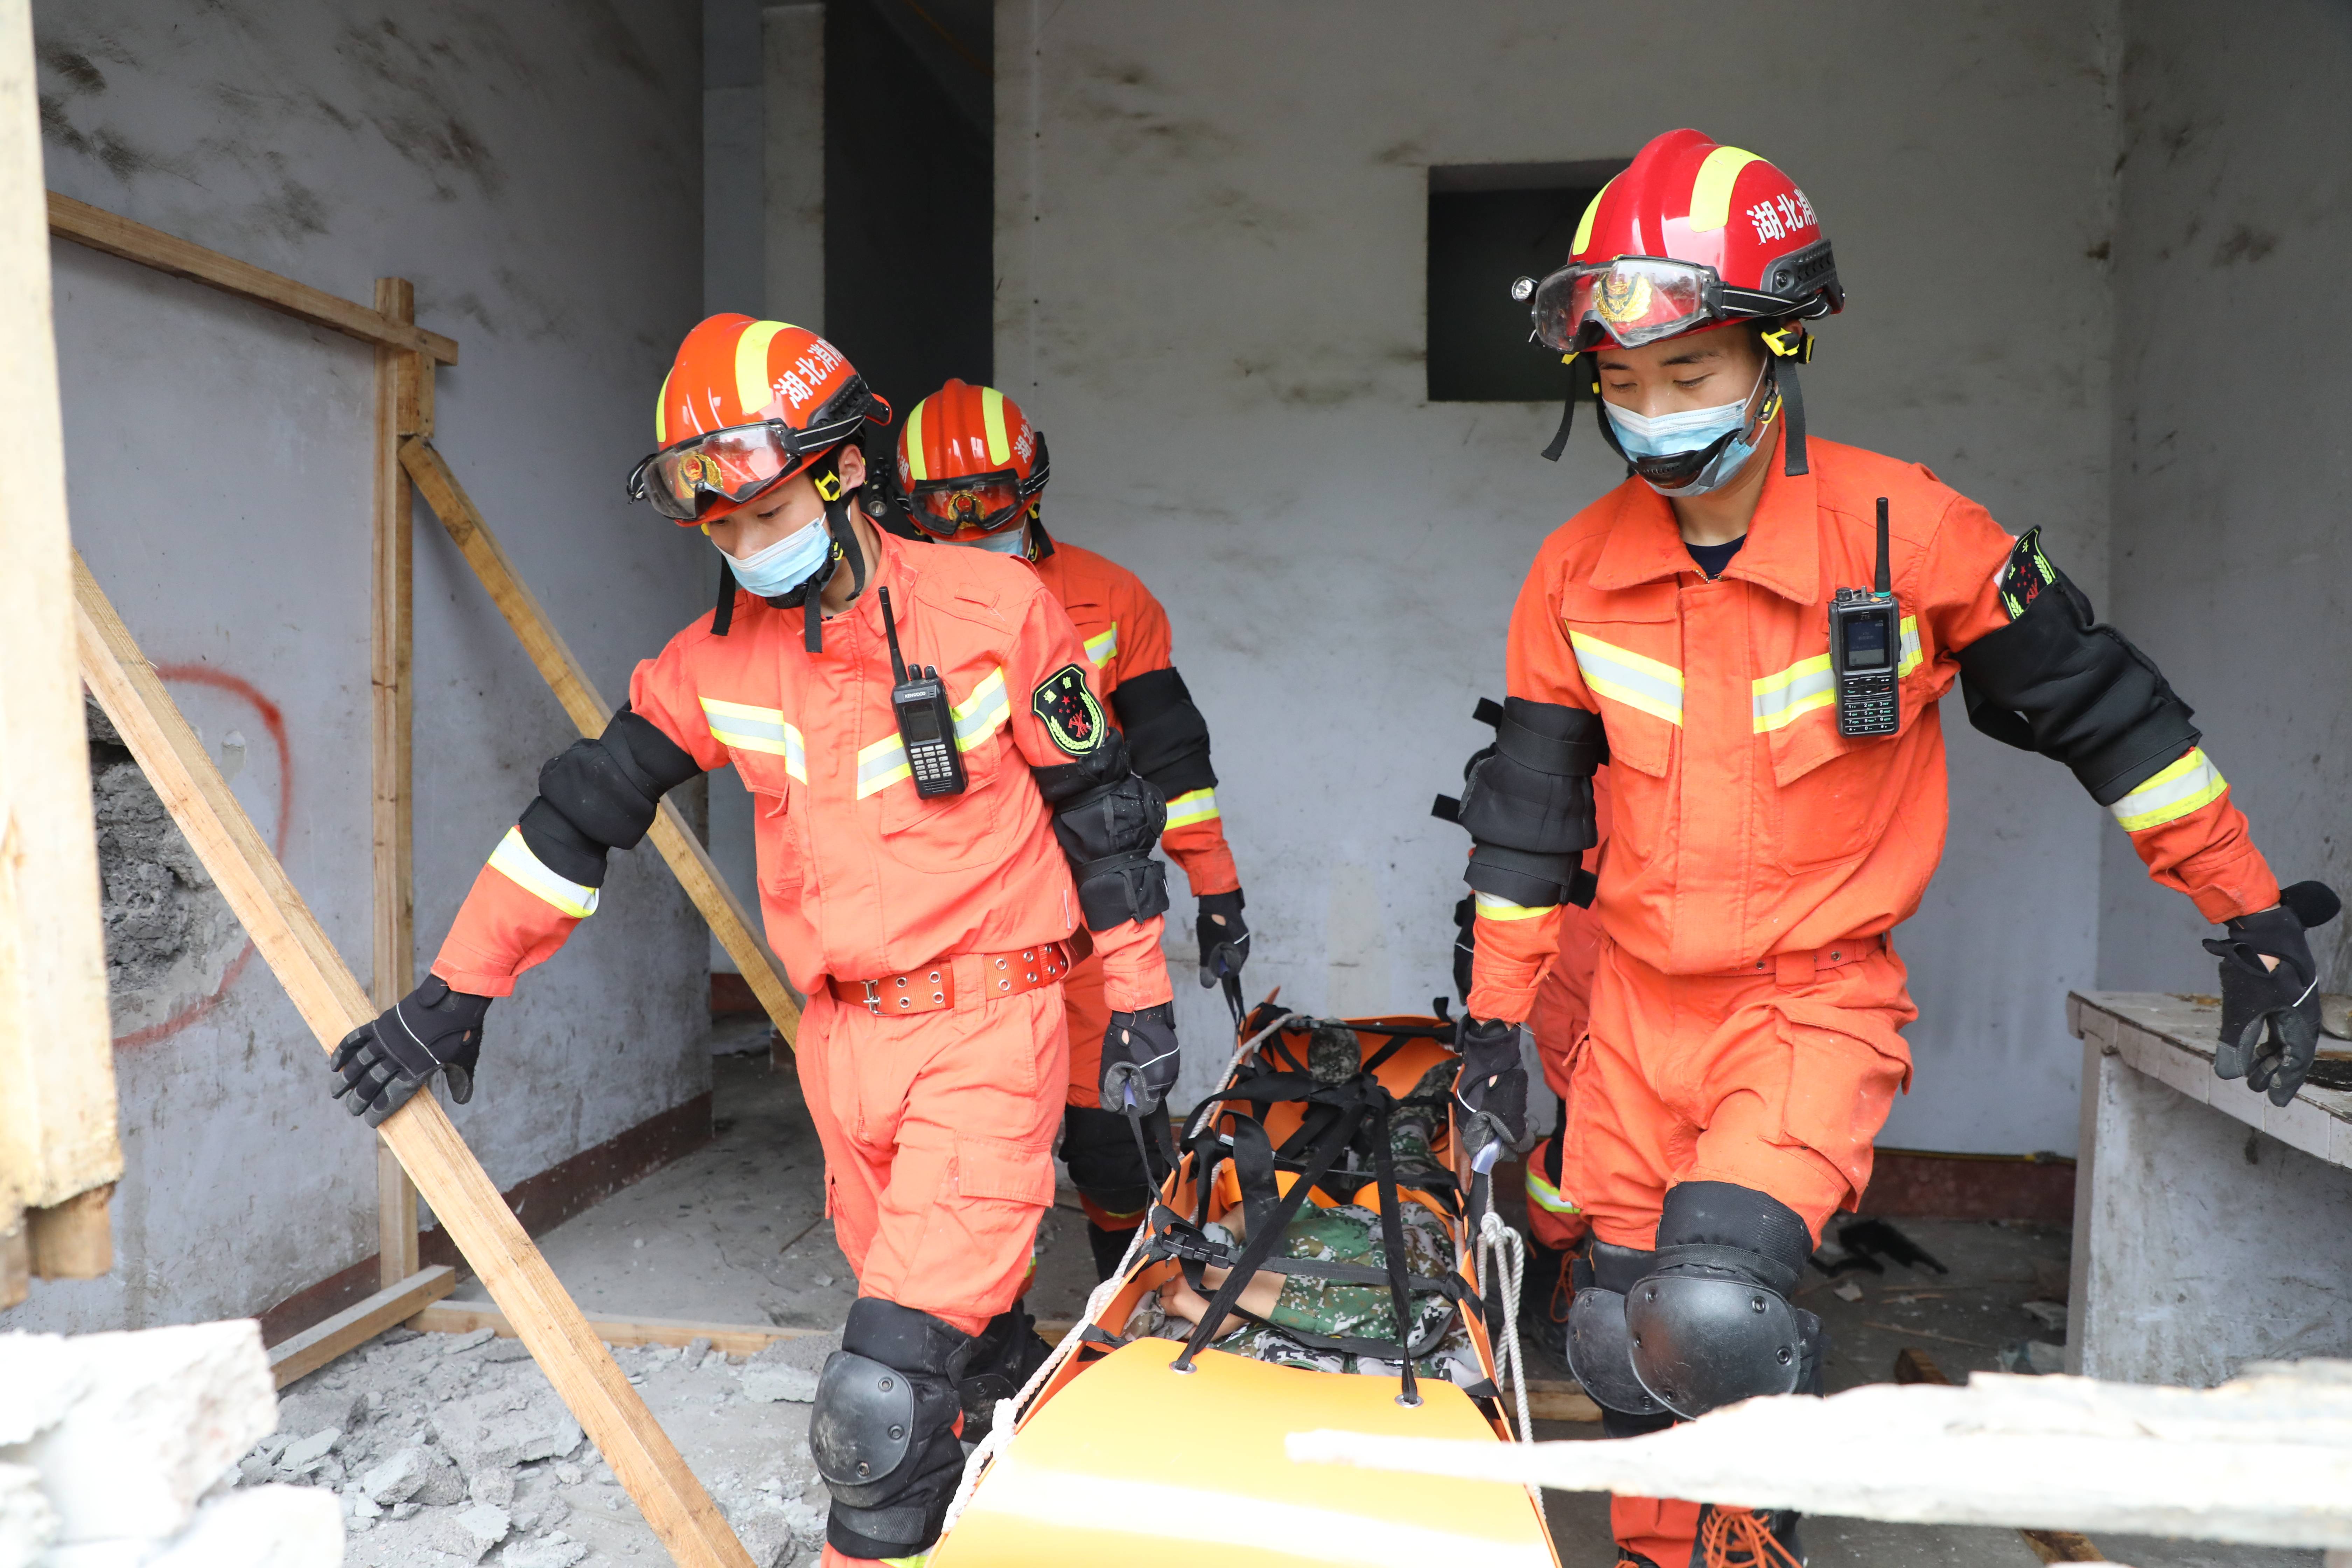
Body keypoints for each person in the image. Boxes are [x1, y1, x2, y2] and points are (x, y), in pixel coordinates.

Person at [1446, 128, 2333, 1568]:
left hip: (1807, 1004)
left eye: (1689, 372)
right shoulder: (1576, 572)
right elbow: (1531, 823)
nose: (1652, 414)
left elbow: (2117, 721)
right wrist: (1493, 1027)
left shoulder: (1912, 533)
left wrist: (2252, 918)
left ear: (1779, 348)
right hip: (1628, 1020)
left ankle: (1745, 1535)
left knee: (1711, 1313)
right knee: (1616, 1336)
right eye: (1620, 382)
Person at [327, 316, 1181, 1567]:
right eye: (720, 530)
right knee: (966, 1350)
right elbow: (579, 818)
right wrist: (459, 990)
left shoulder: (998, 610)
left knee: (876, 1400)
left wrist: (1144, 1004)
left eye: (764, 515)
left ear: (841, 473)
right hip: (839, 1047)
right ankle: (995, 1518)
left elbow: (1103, 821)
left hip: (989, 1029)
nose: (744, 547)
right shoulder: (714, 664)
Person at [890, 378, 1250, 1281]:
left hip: (1094, 919)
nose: (972, 525)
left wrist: (1217, 889)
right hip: (955, 931)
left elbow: (1174, 766)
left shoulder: (1109, 600)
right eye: (945, 507)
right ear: (907, 509)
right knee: (963, 1158)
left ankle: (1130, 1303)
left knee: (1117, 1142)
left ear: (1034, 484)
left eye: (992, 499)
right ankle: (985, 1346)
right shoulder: (879, 616)